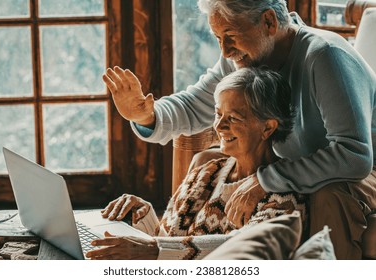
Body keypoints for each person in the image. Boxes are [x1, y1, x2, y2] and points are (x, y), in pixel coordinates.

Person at [102, 0, 376, 259]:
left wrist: (266, 179)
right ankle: (178, 243)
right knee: (207, 161)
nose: (225, 50)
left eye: (230, 36)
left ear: (268, 21)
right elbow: (196, 104)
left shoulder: (325, 56)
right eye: (218, 38)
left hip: (361, 167)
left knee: (329, 196)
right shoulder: (244, 54)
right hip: (302, 161)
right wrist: (147, 115)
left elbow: (354, 155)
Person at [86, 67, 307, 260]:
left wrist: (155, 250)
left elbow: (241, 249)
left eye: (233, 118)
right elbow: (168, 242)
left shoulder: (284, 195)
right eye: (218, 114)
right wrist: (144, 216)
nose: (219, 126)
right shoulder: (207, 172)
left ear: (267, 128)